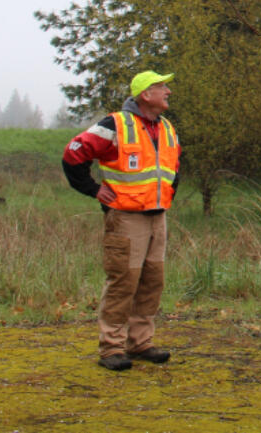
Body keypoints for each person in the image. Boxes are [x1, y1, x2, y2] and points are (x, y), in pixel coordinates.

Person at [62, 71, 181, 371]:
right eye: (161, 86)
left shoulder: (166, 127)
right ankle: (112, 347)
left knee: (152, 281)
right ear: (145, 94)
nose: (167, 91)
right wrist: (92, 190)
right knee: (123, 281)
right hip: (126, 217)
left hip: (157, 217)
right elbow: (74, 153)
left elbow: (174, 169)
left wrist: (164, 197)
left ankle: (140, 343)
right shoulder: (115, 124)